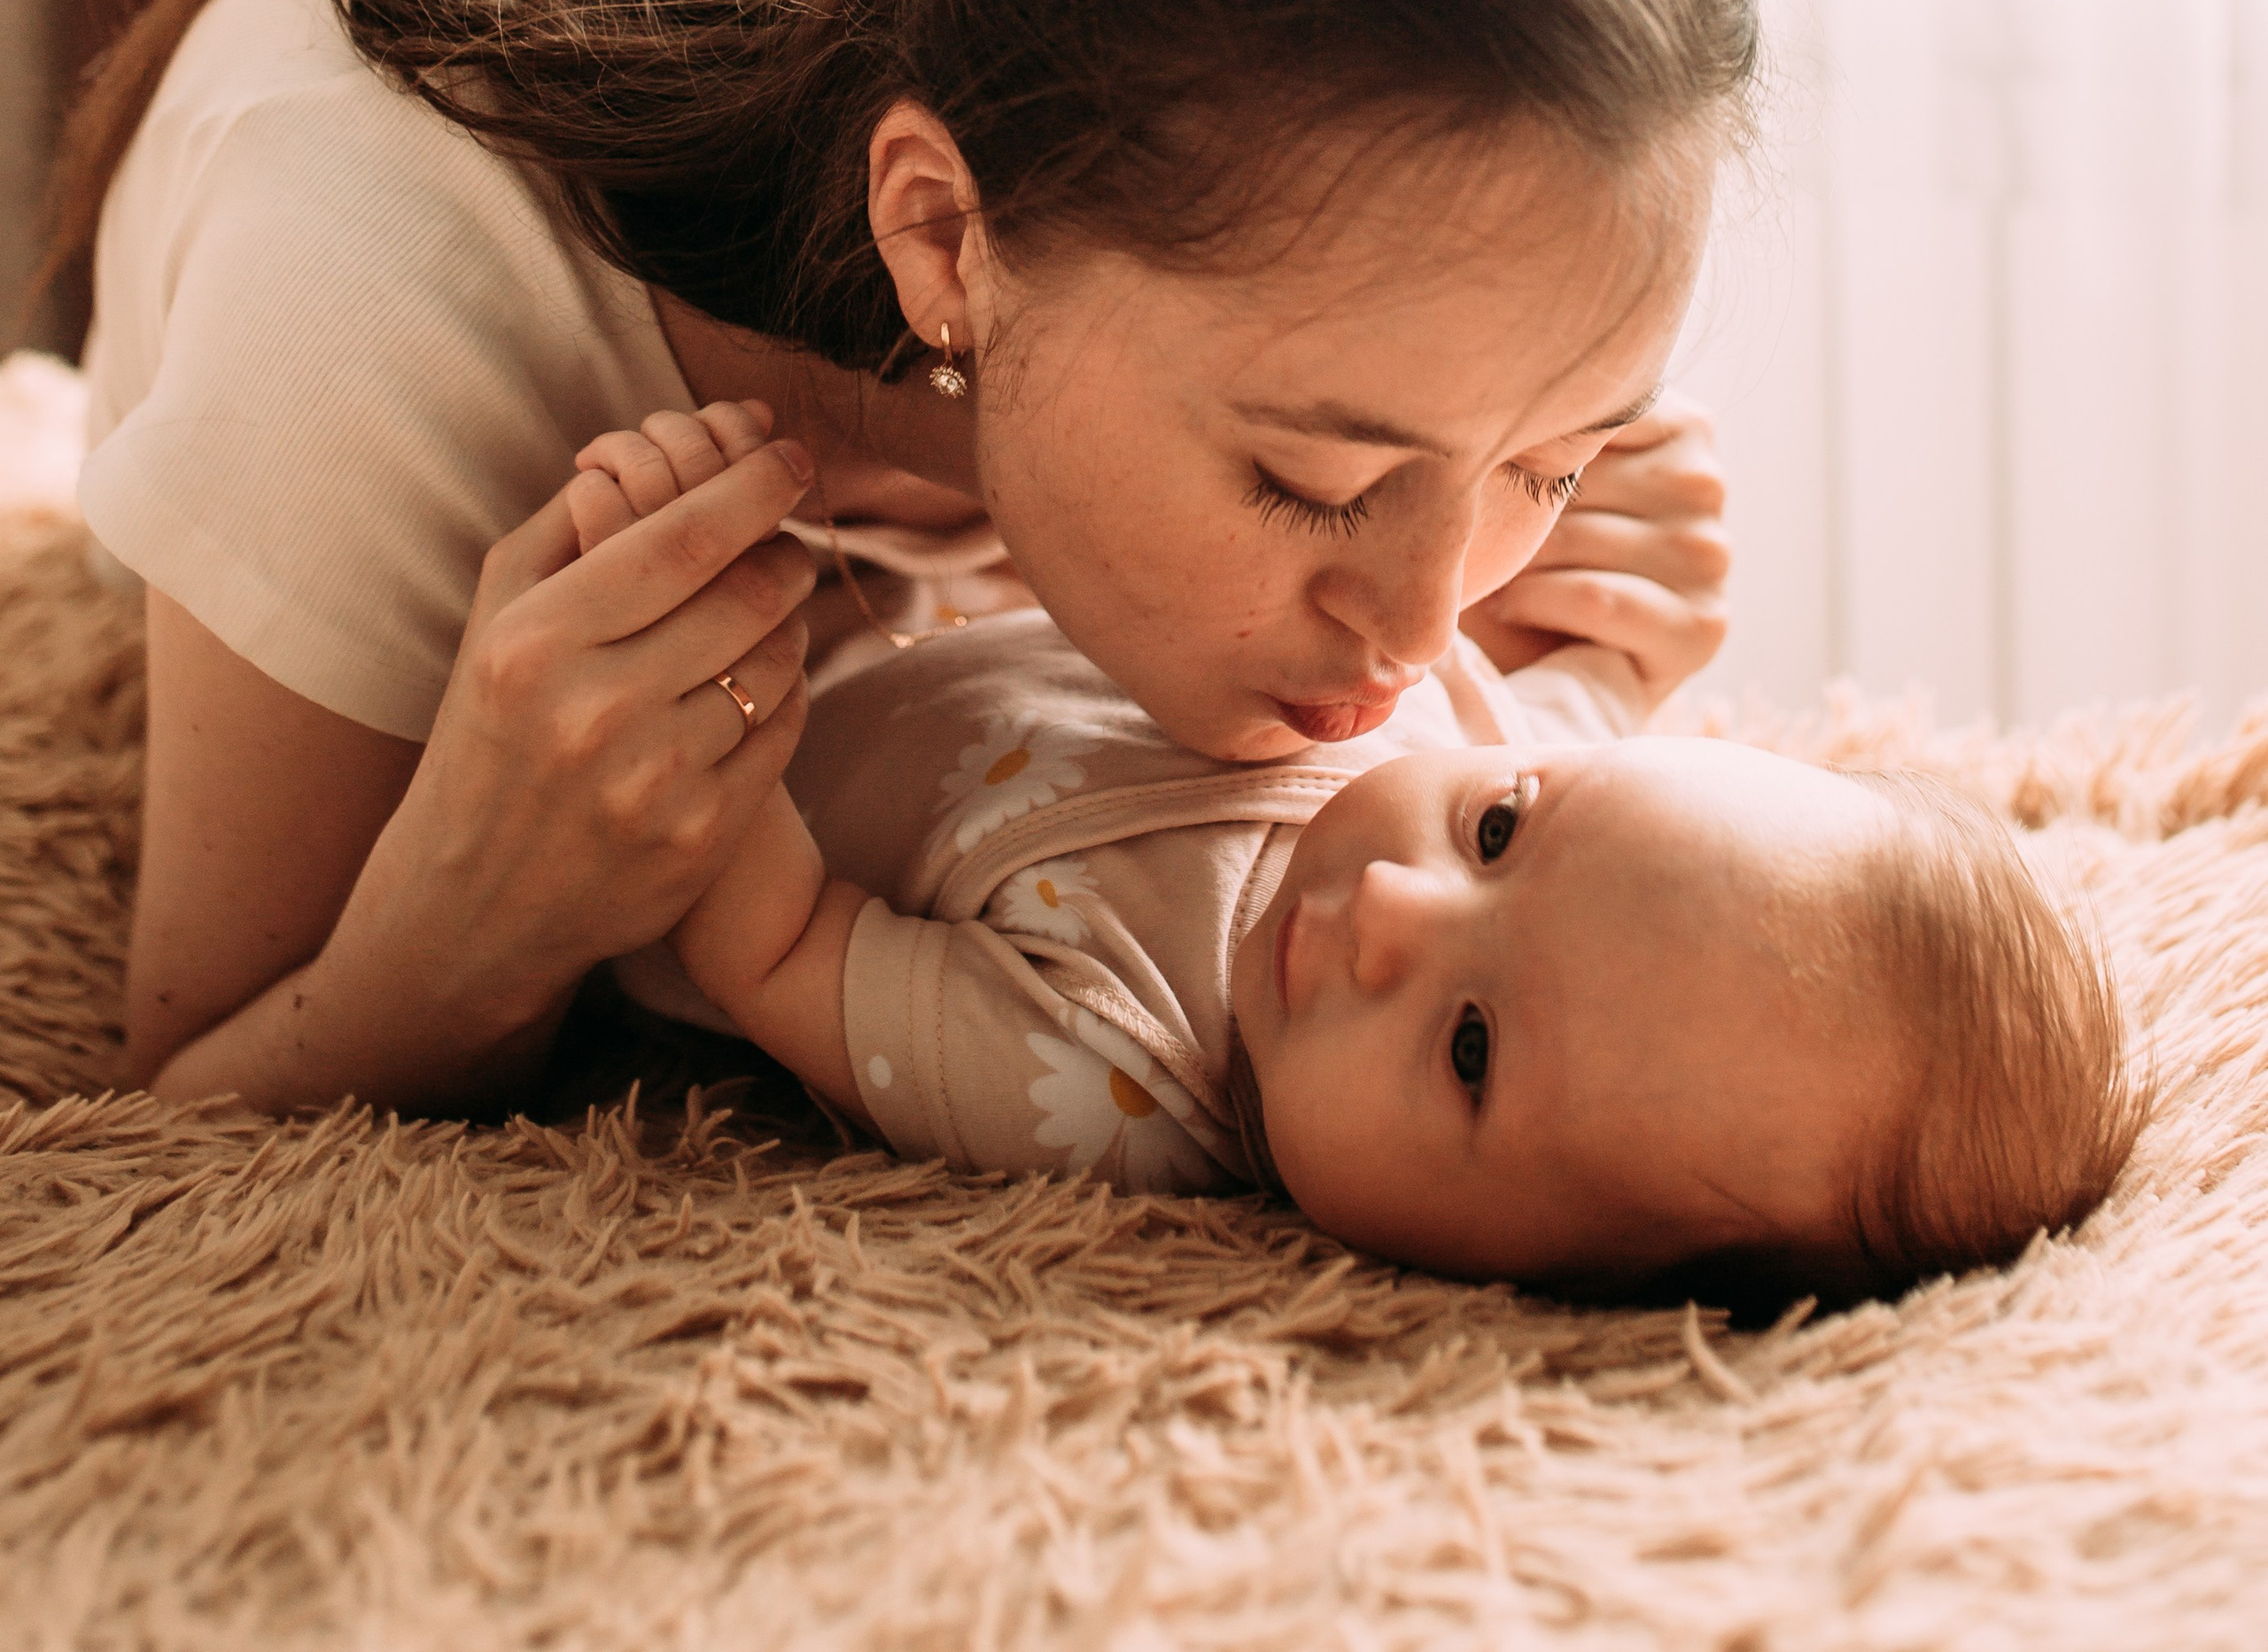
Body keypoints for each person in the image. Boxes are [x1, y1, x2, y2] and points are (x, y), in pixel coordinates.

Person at [48, 0, 1751, 1119]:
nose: (1428, 625)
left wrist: (1555, 631)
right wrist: (485, 916)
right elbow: (193, 1096)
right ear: (941, 238)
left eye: (1554, 457)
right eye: (1313, 483)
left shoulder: (1153, 166)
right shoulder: (370, 315)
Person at [582, 401, 2146, 1308]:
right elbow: (1577, 690)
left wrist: (698, 647)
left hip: (709, 772)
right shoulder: (1464, 741)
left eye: (1471, 1048)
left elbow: (777, 947)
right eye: (1505, 832)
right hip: (907, 598)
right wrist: (1588, 469)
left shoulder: (1108, 1078)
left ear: (1520, 1284)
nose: (1396, 905)